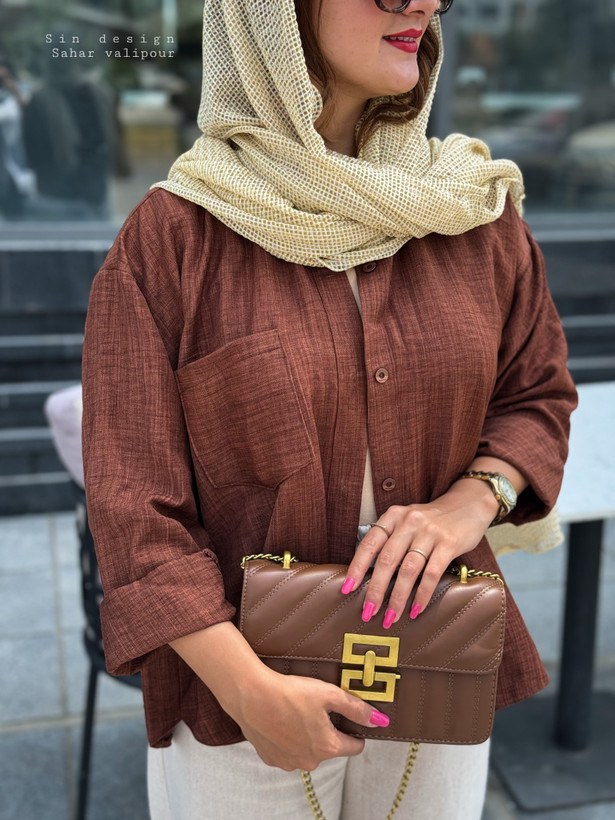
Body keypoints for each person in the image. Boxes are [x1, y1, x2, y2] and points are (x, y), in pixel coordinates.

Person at [81, 1, 577, 818]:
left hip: (437, 660)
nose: (423, 4)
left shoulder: (470, 211)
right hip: (244, 697)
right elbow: (134, 506)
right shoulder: (176, 239)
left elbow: (537, 395)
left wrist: (469, 501)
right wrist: (250, 694)